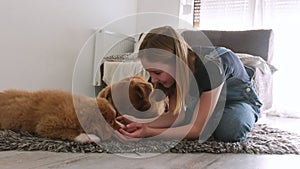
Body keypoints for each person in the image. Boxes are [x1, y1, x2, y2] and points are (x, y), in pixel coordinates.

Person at [114, 26, 262, 143]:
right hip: (206, 99)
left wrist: (149, 132)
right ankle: (208, 116)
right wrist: (140, 122)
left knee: (229, 130)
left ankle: (244, 114)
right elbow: (175, 116)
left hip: (237, 99)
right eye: (150, 72)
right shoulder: (171, 76)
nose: (152, 80)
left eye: (157, 73)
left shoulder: (210, 68)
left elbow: (196, 130)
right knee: (185, 123)